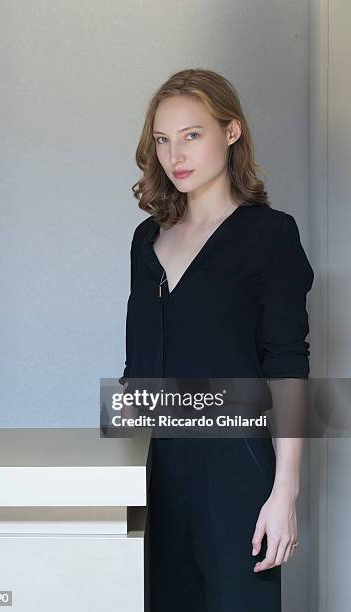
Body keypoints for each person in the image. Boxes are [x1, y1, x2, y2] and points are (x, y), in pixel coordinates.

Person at [119, 68, 314, 611]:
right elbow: (141, 371)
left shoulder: (269, 236)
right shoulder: (145, 241)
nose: (174, 154)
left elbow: (288, 366)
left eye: (192, 134)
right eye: (162, 139)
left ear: (231, 132)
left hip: (238, 471)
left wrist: (285, 493)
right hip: (158, 473)